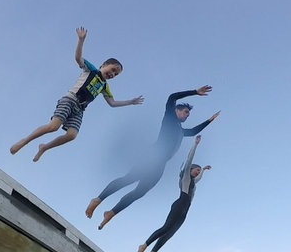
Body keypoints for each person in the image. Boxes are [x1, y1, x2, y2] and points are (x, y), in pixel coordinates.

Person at [86, 86, 219, 230]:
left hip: (161, 164)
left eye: (188, 114)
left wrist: (209, 120)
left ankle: (111, 213)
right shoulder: (169, 117)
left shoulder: (181, 131)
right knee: (128, 179)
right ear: (176, 110)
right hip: (153, 156)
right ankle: (98, 199)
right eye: (186, 112)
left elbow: (193, 131)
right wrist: (195, 92)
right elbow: (172, 96)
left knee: (139, 192)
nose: (187, 115)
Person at [10, 27, 143, 162]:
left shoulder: (104, 86)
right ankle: (25, 141)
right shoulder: (92, 70)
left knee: (72, 135)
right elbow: (78, 58)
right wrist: (80, 40)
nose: (112, 74)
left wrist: (130, 101)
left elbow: (112, 103)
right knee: (53, 127)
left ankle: (44, 147)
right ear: (103, 65)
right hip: (70, 99)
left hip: (80, 110)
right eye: (112, 69)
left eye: (115, 74)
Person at [133, 135, 211, 252]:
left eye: (198, 172)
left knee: (171, 233)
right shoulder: (186, 176)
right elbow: (189, 159)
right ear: (190, 169)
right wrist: (195, 144)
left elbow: (199, 178)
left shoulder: (193, 182)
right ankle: (144, 245)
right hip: (179, 204)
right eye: (196, 170)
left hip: (185, 210)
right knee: (166, 227)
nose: (197, 173)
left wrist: (203, 169)